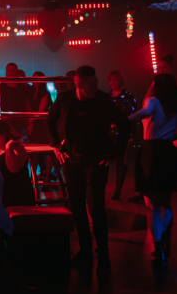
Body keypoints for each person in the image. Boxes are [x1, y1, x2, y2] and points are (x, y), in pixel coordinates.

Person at [49, 65, 131, 276]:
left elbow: (124, 123)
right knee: (77, 208)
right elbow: (50, 119)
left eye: (96, 83)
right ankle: (86, 253)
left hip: (96, 161)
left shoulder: (102, 100)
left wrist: (114, 152)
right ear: (79, 84)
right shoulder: (65, 99)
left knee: (96, 209)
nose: (97, 86)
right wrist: (56, 145)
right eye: (92, 84)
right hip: (72, 160)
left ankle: (103, 256)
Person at [127, 74, 177, 267]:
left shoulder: (153, 101)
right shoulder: (176, 109)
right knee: (165, 201)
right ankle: (165, 242)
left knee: (151, 206)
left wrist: (123, 120)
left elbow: (145, 112)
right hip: (169, 154)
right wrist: (172, 144)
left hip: (150, 154)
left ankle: (159, 249)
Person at [0, 119, 35, 207]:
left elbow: (13, 169)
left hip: (18, 199)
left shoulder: (17, 148)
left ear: (2, 132)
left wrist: (8, 148)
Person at [107, 69, 138, 201]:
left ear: (120, 80)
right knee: (105, 161)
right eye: (110, 80)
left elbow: (133, 116)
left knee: (121, 162)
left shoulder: (129, 96)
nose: (113, 82)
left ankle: (117, 191)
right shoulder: (107, 96)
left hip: (123, 134)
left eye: (115, 79)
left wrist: (131, 135)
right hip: (108, 134)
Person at [0, 62, 32, 139]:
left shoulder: (23, 88)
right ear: (6, 72)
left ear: (17, 72)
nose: (10, 73)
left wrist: (30, 123)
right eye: (8, 70)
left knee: (22, 144)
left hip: (21, 125)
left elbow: (27, 107)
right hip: (4, 125)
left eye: (13, 71)